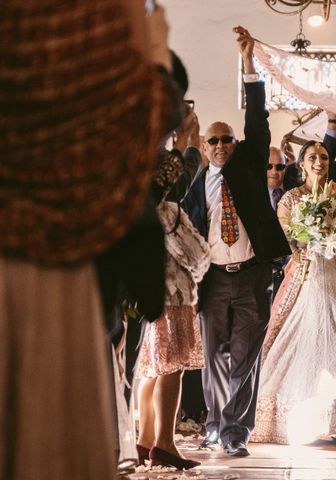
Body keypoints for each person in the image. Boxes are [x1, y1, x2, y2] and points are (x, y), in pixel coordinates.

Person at [0, 1, 172, 478]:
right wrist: (155, 55)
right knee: (50, 439)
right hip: (52, 268)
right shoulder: (92, 13)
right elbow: (140, 126)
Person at [182, 26, 290, 458]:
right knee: (212, 360)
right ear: (203, 147)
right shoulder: (194, 184)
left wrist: (248, 63)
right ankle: (212, 424)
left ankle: (234, 433)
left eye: (228, 138)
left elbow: (257, 118)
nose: (223, 144)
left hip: (250, 277)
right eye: (214, 140)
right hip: (211, 282)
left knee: (246, 359)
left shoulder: (246, 167)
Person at [252, 140, 336, 445]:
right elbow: (284, 239)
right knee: (301, 334)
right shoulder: (291, 198)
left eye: (323, 157)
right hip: (306, 275)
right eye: (312, 157)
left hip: (334, 270)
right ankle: (294, 417)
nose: (319, 162)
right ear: (301, 164)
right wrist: (302, 247)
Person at [135, 108, 207, 470]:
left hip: (148, 286)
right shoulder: (160, 188)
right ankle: (164, 442)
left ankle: (145, 437)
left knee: (151, 366)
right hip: (171, 290)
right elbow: (192, 250)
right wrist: (190, 146)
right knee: (172, 367)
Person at [267, 147, 288, 303]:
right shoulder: (251, 195)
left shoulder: (295, 191)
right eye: (268, 166)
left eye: (279, 167)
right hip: (261, 272)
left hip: (291, 268)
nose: (274, 171)